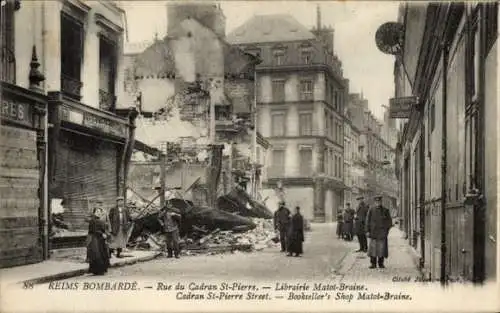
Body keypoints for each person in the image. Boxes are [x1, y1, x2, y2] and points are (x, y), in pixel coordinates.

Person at [365, 195, 393, 269]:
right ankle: (373, 264)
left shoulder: (385, 210)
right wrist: (367, 231)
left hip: (382, 233)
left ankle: (381, 263)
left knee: (381, 249)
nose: (378, 203)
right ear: (374, 202)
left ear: (381, 202)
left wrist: (386, 231)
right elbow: (367, 221)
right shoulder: (371, 210)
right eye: (376, 201)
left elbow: (389, 222)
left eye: (379, 201)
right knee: (373, 249)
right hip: (373, 232)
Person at [87, 207, 110, 275]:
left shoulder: (100, 220)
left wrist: (105, 234)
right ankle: (97, 270)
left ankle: (101, 269)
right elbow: (93, 230)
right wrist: (102, 234)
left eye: (100, 212)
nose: (99, 213)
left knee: (102, 253)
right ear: (94, 213)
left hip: (100, 239)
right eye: (97, 212)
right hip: (95, 239)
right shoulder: (92, 220)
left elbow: (103, 229)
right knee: (97, 254)